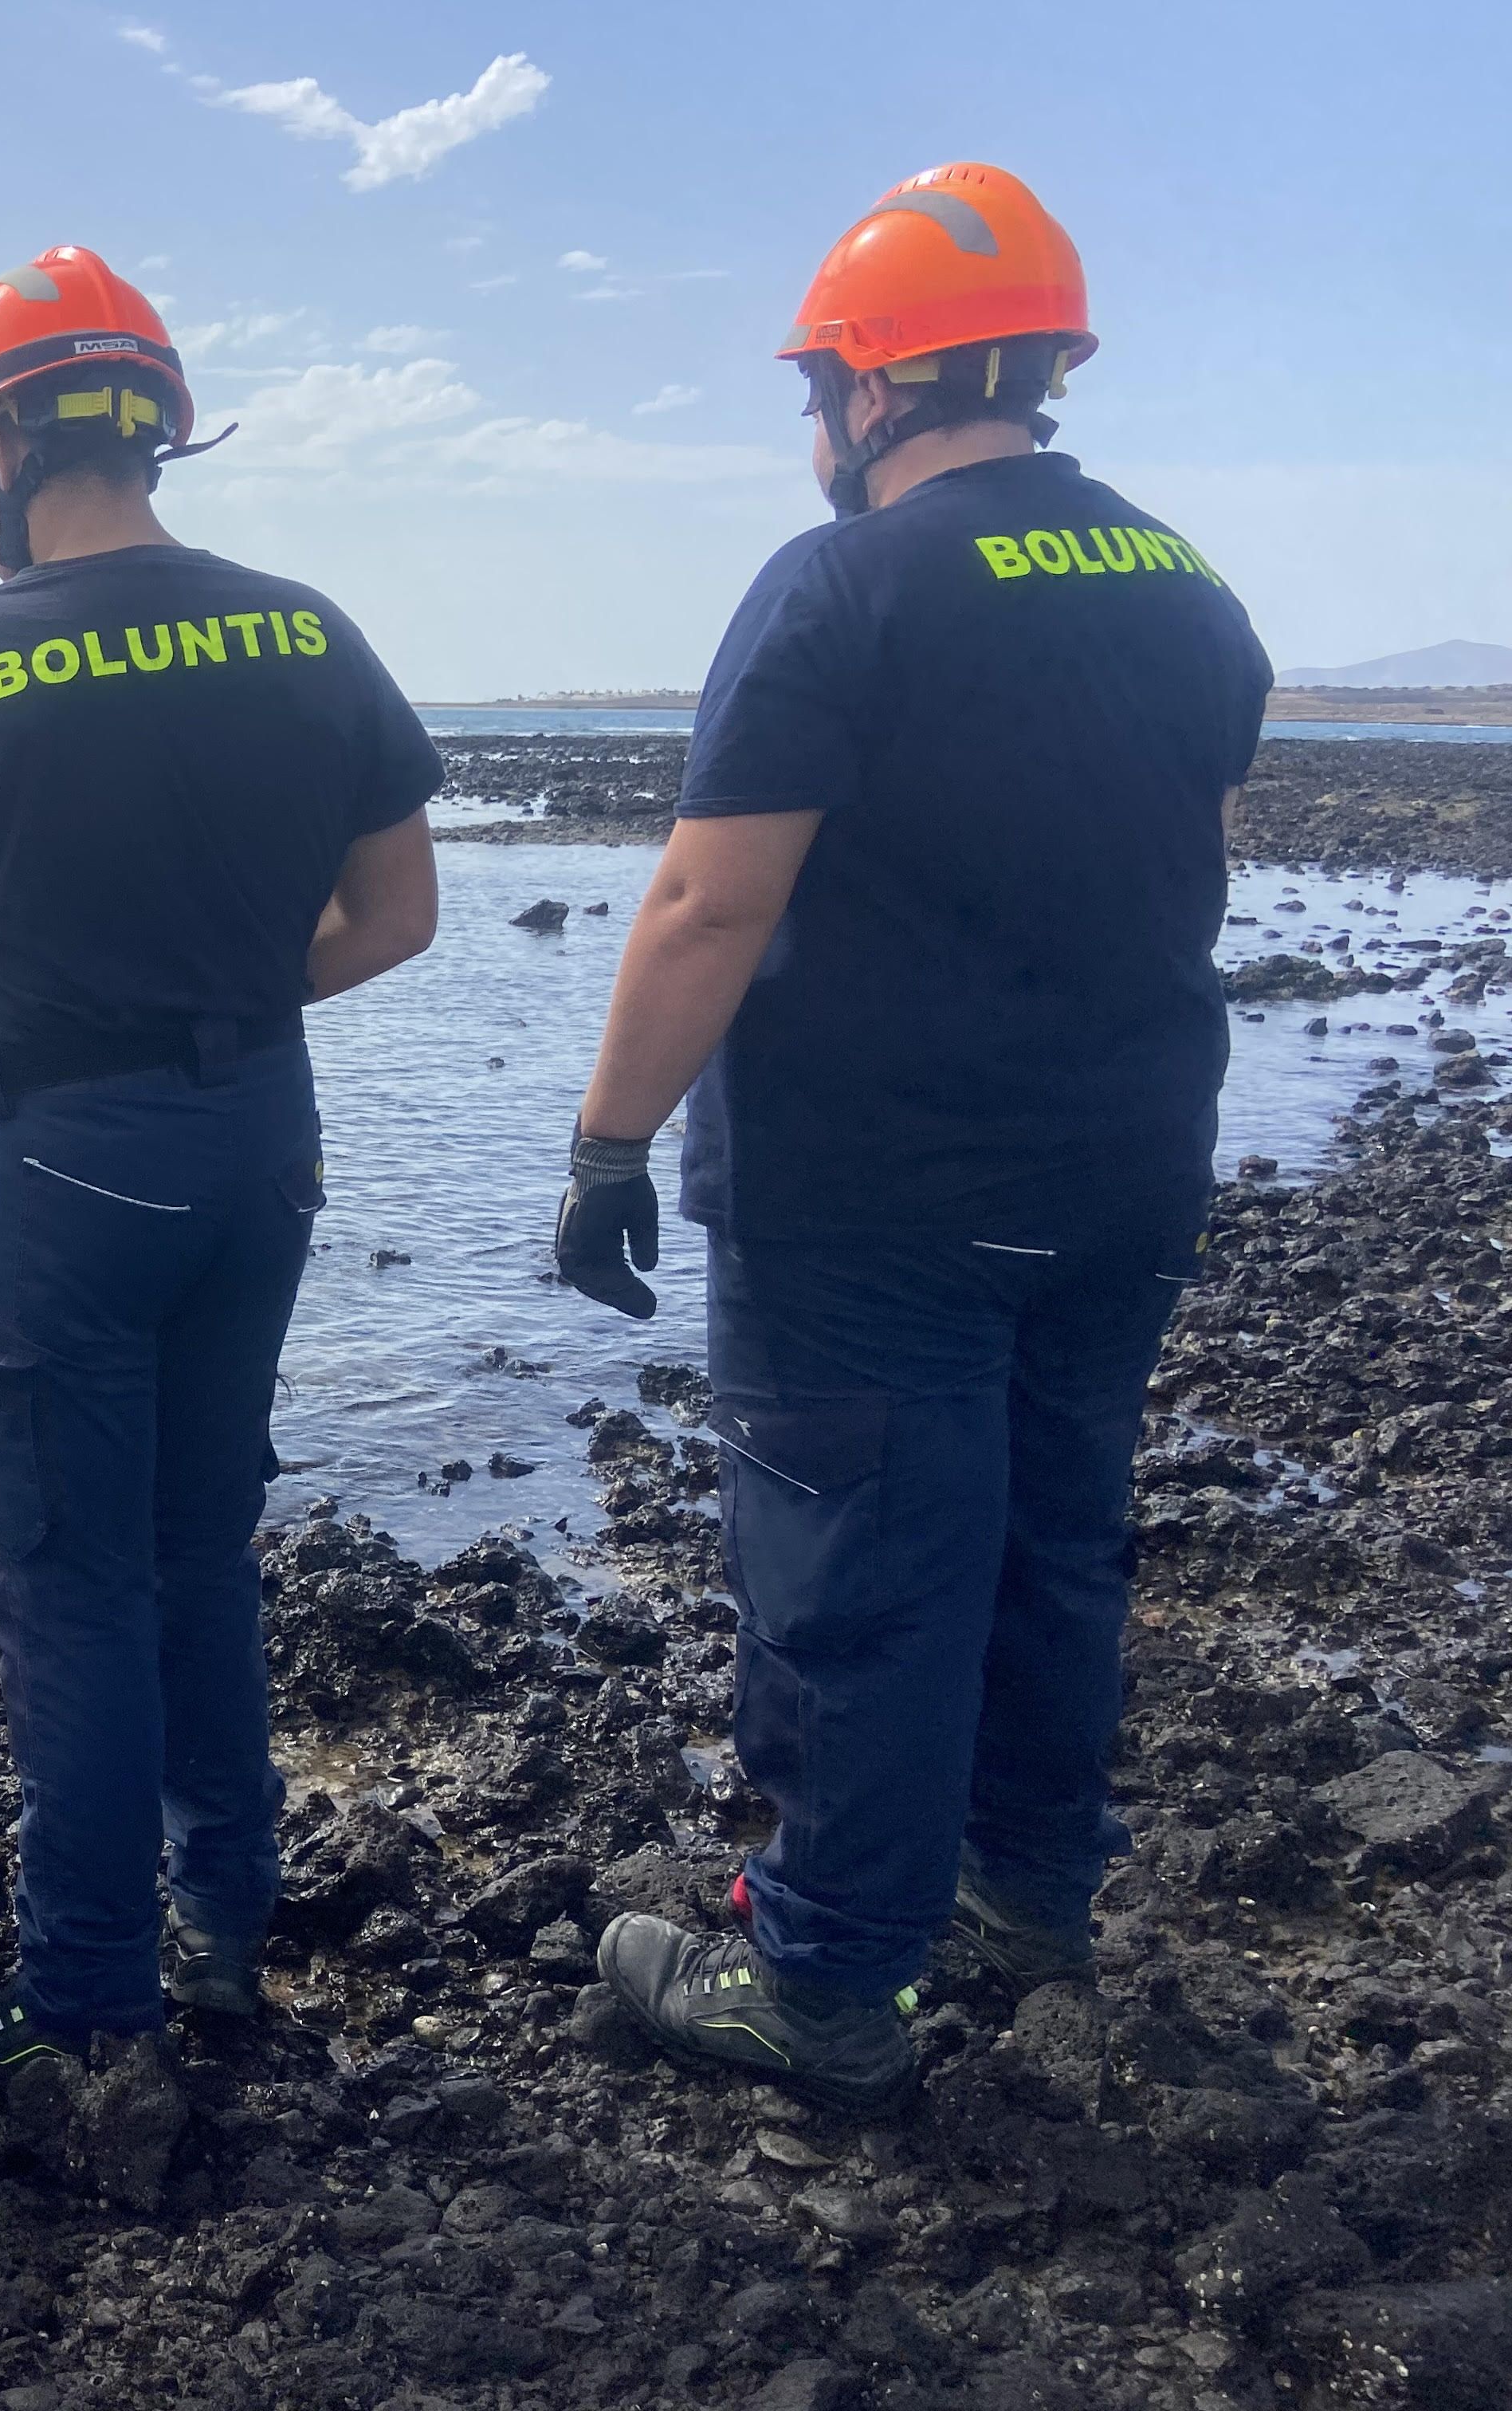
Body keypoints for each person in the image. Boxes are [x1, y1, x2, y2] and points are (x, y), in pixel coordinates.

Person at [557, 164, 1271, 2114]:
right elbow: (1170, 862)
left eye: (816, 390)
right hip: (1121, 1169)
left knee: (861, 1572)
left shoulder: (841, 586)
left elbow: (710, 906)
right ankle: (1031, 1898)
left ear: (872, 390)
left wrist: (610, 1148)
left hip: (876, 1204)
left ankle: (824, 1984)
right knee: (1053, 1544)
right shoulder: (1185, 581)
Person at [0, 246, 444, 2091]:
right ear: (152, 425)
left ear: (5, 437)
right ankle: (223, 1924)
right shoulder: (305, 629)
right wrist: (240, 1008)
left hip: (59, 1158)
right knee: (195, 1548)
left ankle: (83, 2004)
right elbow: (396, 916)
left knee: (70, 1584)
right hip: (260, 1137)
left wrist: (63, 1088)